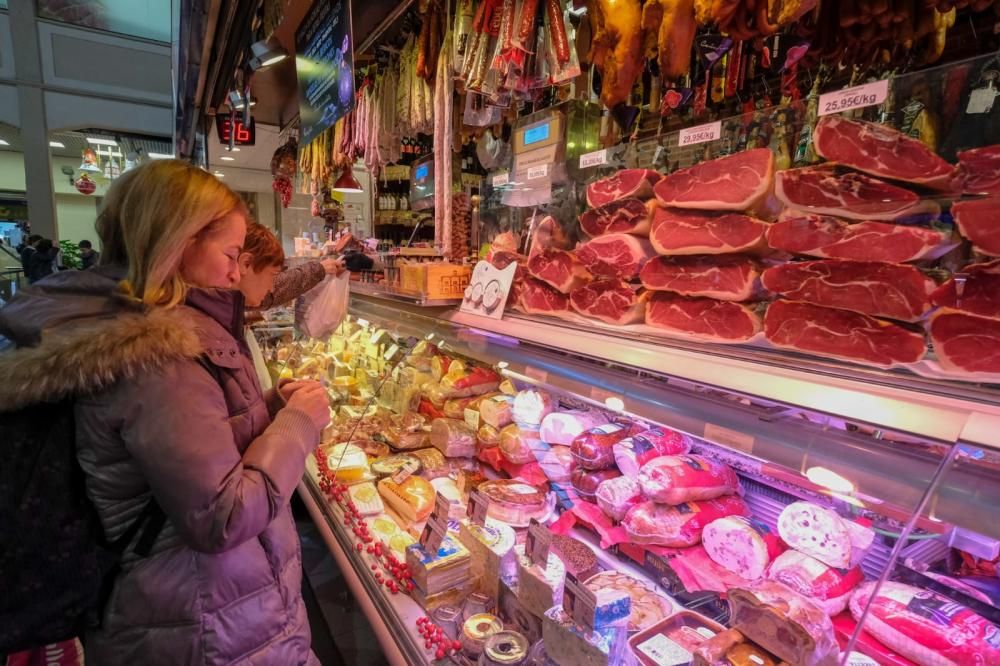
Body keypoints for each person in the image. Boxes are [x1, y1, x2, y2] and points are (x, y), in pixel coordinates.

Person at [0, 160, 329, 665]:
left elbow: (190, 447)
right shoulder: (158, 351)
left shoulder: (138, 327)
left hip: (194, 609)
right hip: (206, 625)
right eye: (230, 254)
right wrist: (299, 423)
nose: (237, 273)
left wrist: (267, 409)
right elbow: (220, 516)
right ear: (180, 240)